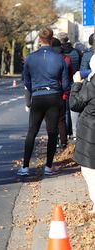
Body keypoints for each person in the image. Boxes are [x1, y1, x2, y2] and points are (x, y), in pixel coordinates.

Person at [18, 27, 70, 176]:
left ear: (39, 39)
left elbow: (26, 82)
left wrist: (34, 90)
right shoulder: (60, 58)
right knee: (52, 132)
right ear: (52, 39)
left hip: (38, 97)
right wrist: (61, 93)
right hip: (54, 96)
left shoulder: (30, 58)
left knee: (32, 131)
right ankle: (48, 166)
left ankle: (25, 167)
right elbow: (66, 84)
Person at [69, 54, 95, 213]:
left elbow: (75, 104)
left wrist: (76, 84)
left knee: (90, 171)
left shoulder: (92, 85)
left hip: (91, 133)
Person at [58, 32, 82, 140]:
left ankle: (66, 132)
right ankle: (75, 131)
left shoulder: (59, 54)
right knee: (74, 108)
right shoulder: (76, 52)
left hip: (63, 82)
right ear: (68, 40)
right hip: (76, 81)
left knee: (65, 109)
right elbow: (81, 68)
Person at [51, 37, 74, 149]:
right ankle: (63, 141)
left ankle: (54, 140)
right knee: (62, 118)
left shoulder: (49, 58)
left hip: (51, 91)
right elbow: (70, 75)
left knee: (52, 118)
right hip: (63, 92)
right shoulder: (67, 58)